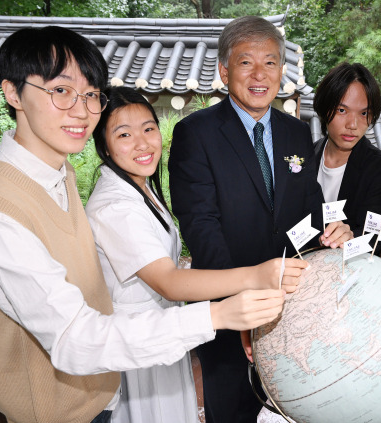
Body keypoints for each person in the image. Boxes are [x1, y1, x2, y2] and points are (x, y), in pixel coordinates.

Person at [0, 26, 286, 423]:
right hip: (61, 407)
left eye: (91, 94)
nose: (81, 110)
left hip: (106, 383)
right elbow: (73, 339)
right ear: (12, 93)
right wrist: (220, 313)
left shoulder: (59, 178)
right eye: (60, 91)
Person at [168, 15, 353, 423]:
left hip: (291, 306)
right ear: (224, 70)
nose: (259, 74)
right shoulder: (194, 134)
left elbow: (309, 202)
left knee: (292, 408)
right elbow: (201, 228)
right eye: (245, 62)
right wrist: (243, 310)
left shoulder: (296, 132)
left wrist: (334, 227)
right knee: (232, 410)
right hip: (228, 308)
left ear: (282, 71)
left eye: (270, 62)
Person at [85, 86, 307, 423]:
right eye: (124, 134)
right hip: (139, 340)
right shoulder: (116, 206)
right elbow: (169, 282)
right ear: (103, 143)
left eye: (148, 128)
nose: (143, 143)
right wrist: (257, 275)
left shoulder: (139, 187)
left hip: (162, 331)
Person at [313, 62, 381, 255]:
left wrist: (351, 239)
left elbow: (376, 238)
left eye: (364, 113)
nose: (353, 124)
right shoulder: (306, 157)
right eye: (342, 110)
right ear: (325, 109)